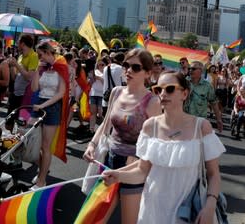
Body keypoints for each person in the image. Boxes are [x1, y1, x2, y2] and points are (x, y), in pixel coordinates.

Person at [101, 71, 226, 224]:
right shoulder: (150, 126)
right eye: (158, 90)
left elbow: (213, 174)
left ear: (184, 93)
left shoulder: (201, 127)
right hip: (152, 212)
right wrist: (118, 176)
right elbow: (142, 171)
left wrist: (210, 206)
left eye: (170, 89)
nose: (163, 93)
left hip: (188, 212)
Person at [84, 49, 161, 224]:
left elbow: (155, 143)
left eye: (135, 67)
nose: (128, 70)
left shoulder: (152, 102)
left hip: (133, 169)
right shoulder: (116, 92)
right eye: (126, 65)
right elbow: (105, 125)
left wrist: (138, 157)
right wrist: (92, 145)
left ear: (148, 73)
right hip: (109, 161)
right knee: (94, 219)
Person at [30, 41, 70, 189]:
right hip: (39, 104)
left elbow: (61, 93)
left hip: (52, 107)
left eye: (40, 55)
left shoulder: (61, 66)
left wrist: (43, 106)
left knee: (45, 146)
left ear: (48, 52)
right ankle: (41, 171)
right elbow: (35, 88)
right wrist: (36, 70)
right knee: (34, 144)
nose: (39, 57)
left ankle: (41, 180)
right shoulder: (42, 68)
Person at [184, 61, 223, 133]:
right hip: (183, 120)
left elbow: (214, 103)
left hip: (199, 122)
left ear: (201, 71)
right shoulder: (184, 83)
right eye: (189, 68)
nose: (190, 70)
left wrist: (219, 119)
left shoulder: (207, 86)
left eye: (193, 69)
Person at [7, 34, 39, 114]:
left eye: (18, 42)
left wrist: (17, 65)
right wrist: (11, 66)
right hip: (16, 94)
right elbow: (14, 77)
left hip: (26, 96)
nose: (17, 44)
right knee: (8, 124)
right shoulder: (20, 56)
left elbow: (29, 77)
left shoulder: (34, 56)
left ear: (23, 44)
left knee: (22, 122)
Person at [88, 57, 107, 134]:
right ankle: (91, 129)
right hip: (93, 94)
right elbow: (90, 83)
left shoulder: (106, 73)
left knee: (101, 113)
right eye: (99, 65)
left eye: (102, 64)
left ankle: (105, 130)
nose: (100, 66)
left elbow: (106, 84)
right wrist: (91, 79)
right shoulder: (95, 71)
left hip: (102, 95)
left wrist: (100, 78)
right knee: (93, 112)